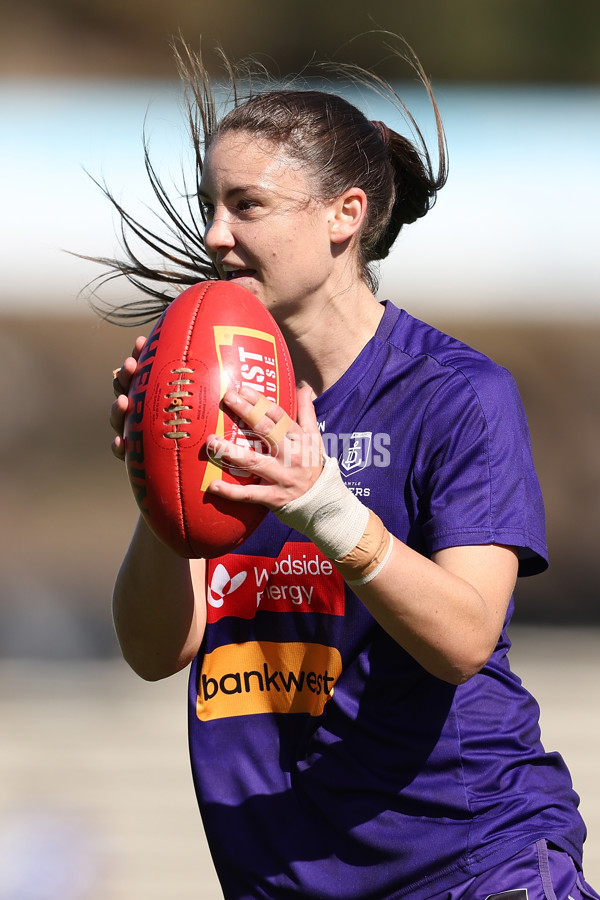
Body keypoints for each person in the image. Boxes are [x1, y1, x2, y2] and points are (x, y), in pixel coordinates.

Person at [105, 39, 599, 900]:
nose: (216, 235)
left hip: (470, 866)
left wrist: (323, 505)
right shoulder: (211, 398)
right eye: (210, 206)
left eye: (247, 205)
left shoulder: (455, 395)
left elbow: (464, 639)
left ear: (344, 215)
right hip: (282, 873)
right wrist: (159, 485)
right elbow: (156, 651)